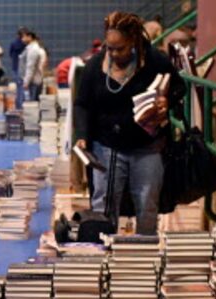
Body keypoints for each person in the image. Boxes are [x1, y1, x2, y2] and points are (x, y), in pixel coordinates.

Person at [73, 11, 184, 235]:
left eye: (120, 48)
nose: (114, 53)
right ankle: (103, 252)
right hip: (106, 146)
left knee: (147, 204)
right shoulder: (95, 66)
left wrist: (166, 101)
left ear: (133, 41)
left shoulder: (154, 61)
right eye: (109, 47)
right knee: (103, 205)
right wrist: (82, 135)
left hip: (147, 146)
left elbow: (179, 87)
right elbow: (82, 104)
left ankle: (144, 254)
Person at [21, 31, 44, 102]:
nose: (22, 39)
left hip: (33, 81)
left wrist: (26, 82)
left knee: (32, 107)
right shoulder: (29, 48)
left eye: (24, 37)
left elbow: (30, 67)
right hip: (31, 81)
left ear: (30, 37)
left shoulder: (33, 49)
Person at [9, 27, 28, 109]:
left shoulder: (13, 43)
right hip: (22, 68)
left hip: (15, 67)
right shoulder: (25, 45)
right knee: (21, 88)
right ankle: (21, 106)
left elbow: (10, 54)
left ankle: (18, 106)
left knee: (19, 87)